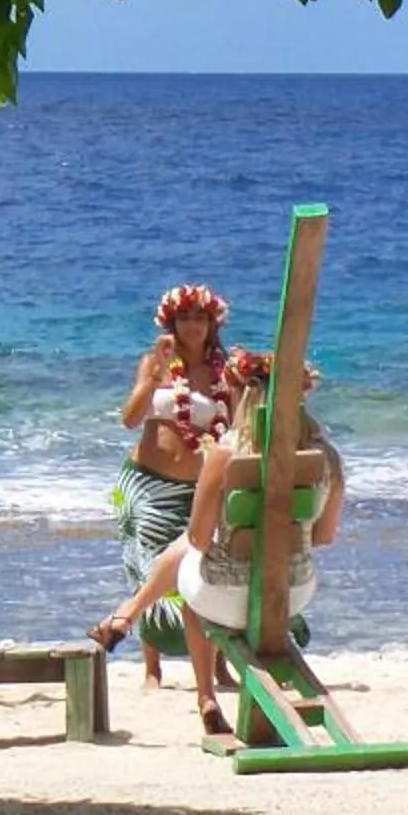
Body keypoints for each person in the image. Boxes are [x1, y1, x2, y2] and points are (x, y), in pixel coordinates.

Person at [90, 356, 341, 736]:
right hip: (292, 594)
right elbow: (324, 536)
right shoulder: (327, 456)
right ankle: (128, 615)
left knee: (192, 580)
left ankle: (204, 695)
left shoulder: (226, 453)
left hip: (227, 595)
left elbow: (198, 537)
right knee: (196, 566)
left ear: (243, 396)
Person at [110, 282, 234, 690]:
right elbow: (130, 419)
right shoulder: (154, 363)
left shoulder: (225, 373)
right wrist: (155, 376)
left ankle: (217, 666)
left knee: (206, 572)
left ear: (212, 324)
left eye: (200, 318)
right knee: (148, 571)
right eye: (184, 317)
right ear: (171, 322)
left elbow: (236, 429)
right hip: (146, 485)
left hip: (200, 489)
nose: (192, 325)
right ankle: (152, 667)